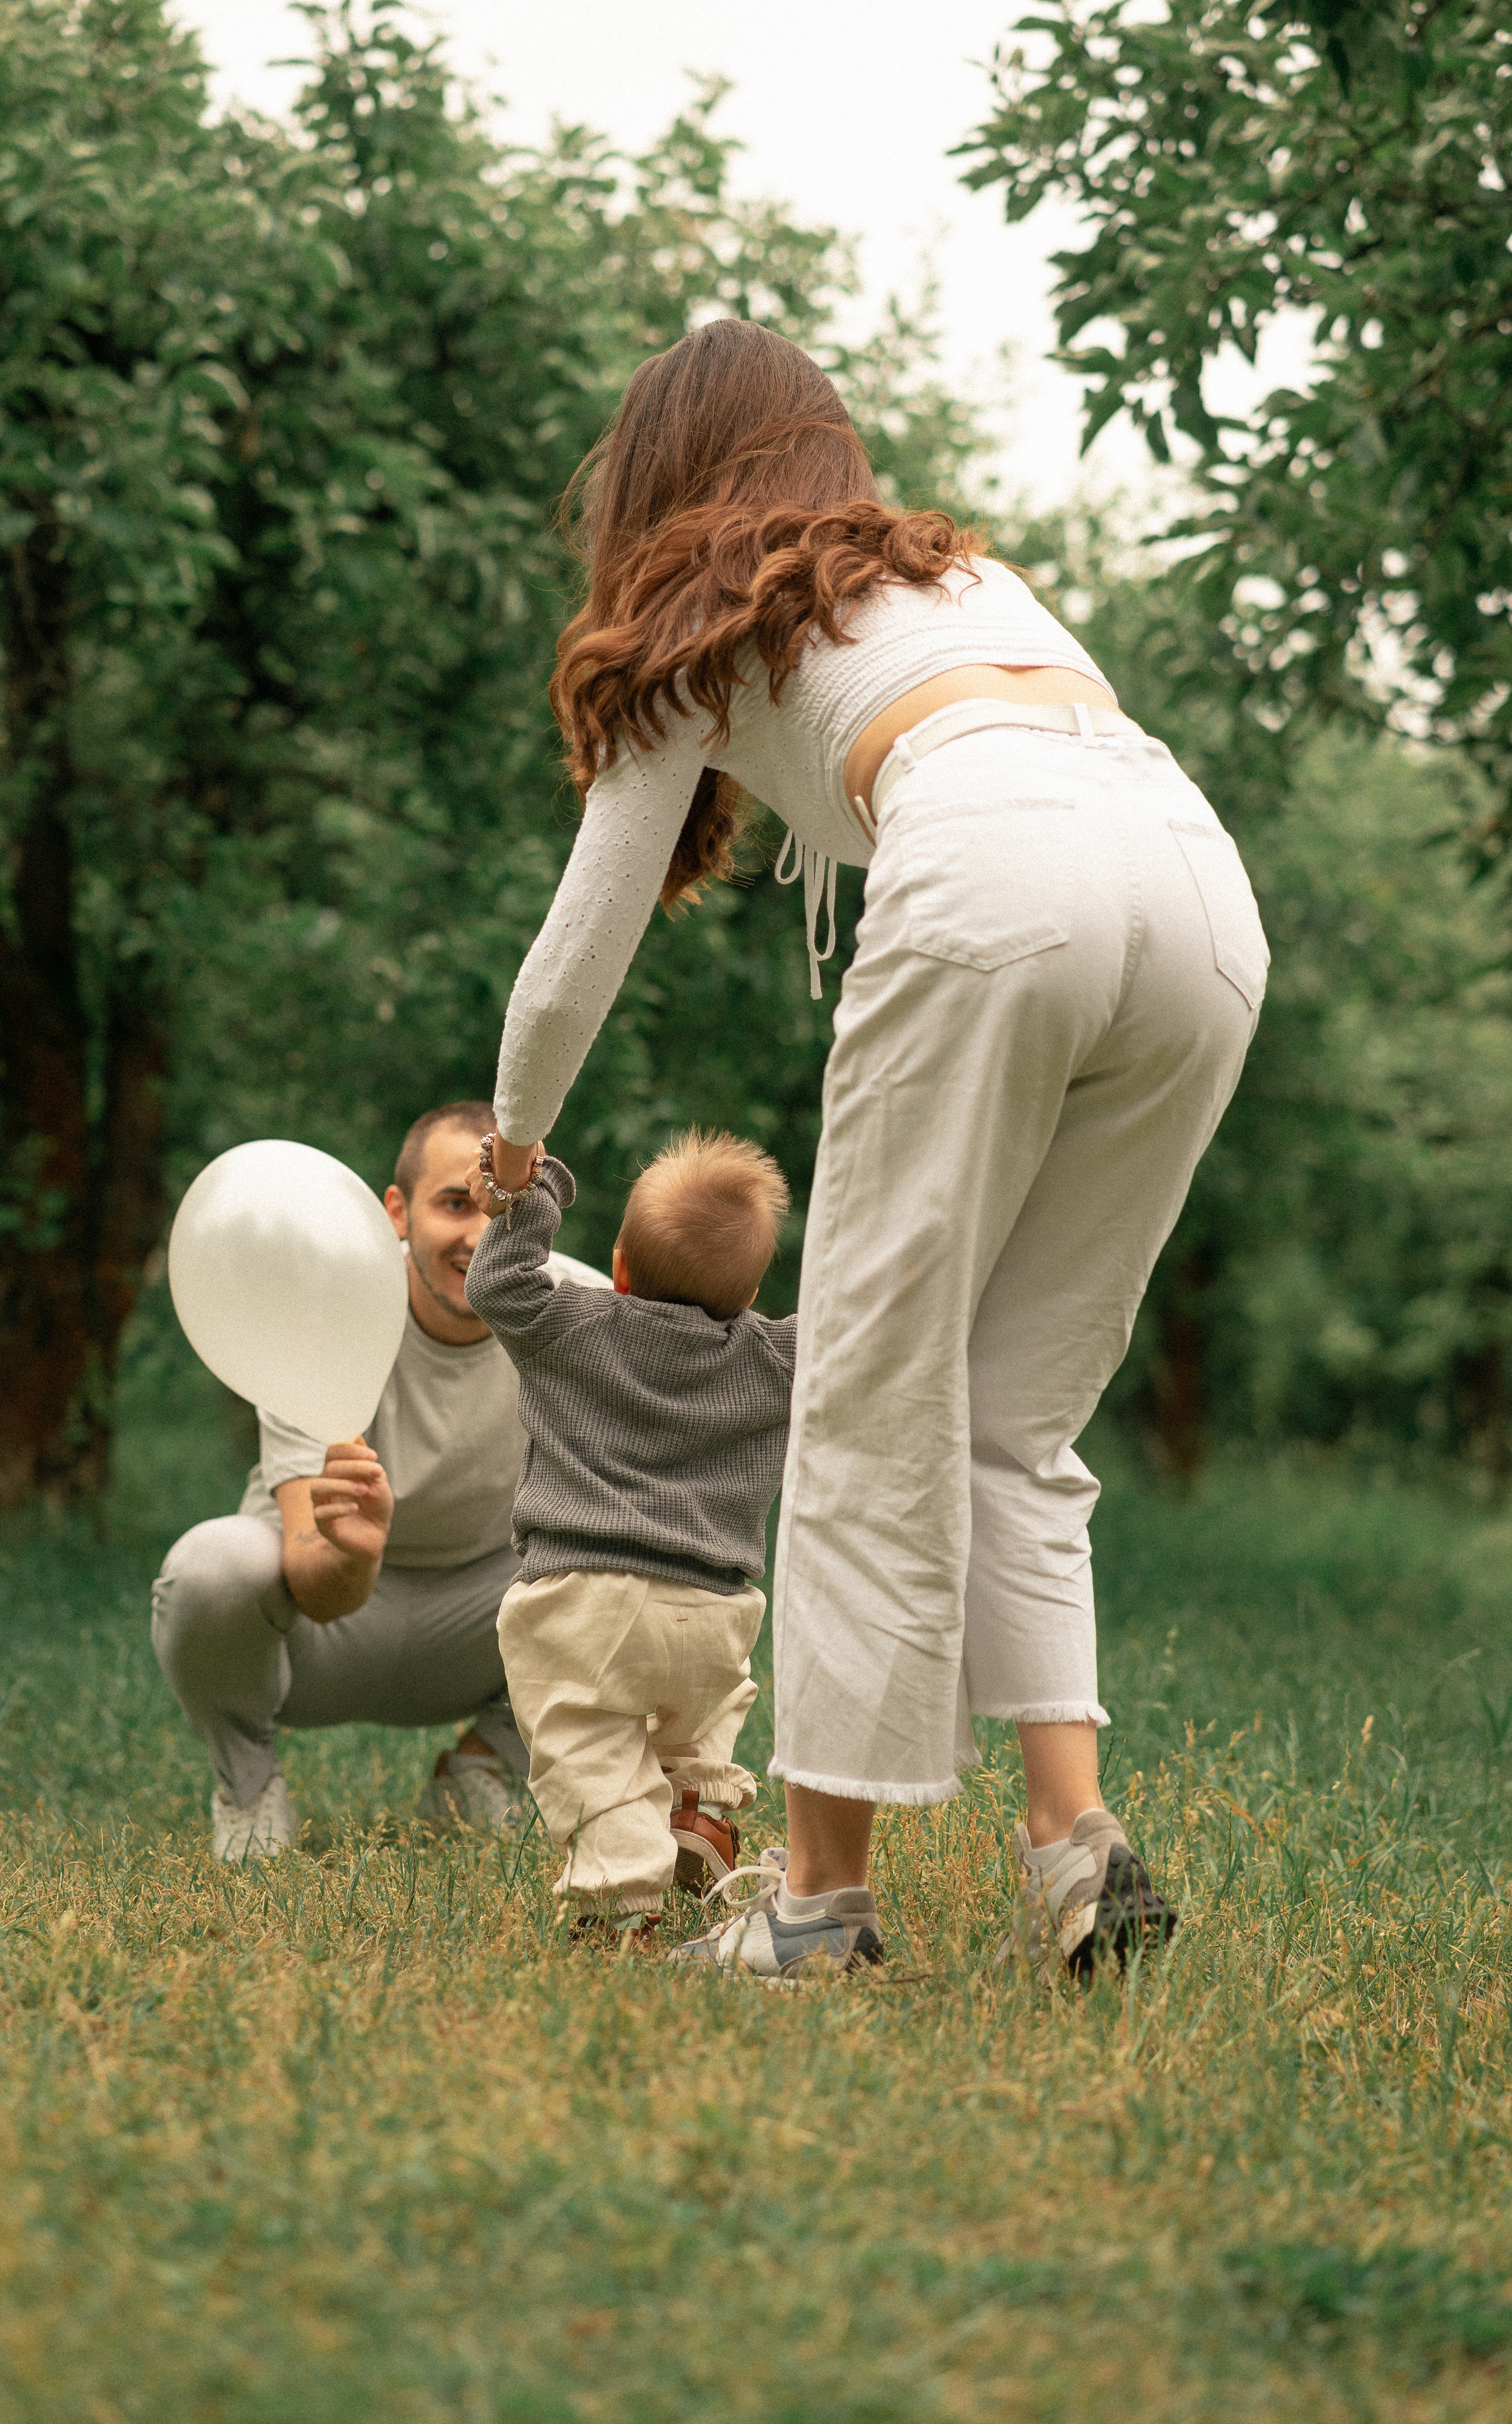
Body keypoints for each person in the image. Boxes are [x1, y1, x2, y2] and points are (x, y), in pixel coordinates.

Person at [482, 318, 1269, 1980]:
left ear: (657, 476)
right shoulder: (947, 571)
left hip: (993, 870)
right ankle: (1072, 1839)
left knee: (862, 1388)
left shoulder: (699, 613)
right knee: (1015, 1412)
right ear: (819, 442)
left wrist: (514, 1141)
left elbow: (574, 955)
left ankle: (817, 1906)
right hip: (1194, 889)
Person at [151, 1100, 608, 1861]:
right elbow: (317, 1583)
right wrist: (354, 1551)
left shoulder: (584, 1316)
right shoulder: (320, 1309)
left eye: (507, 1209)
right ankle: (248, 1785)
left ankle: (485, 1764)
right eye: (455, 1204)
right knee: (210, 1569)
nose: (481, 1236)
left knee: (642, 1559)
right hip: (325, 1633)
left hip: (488, 1623)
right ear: (396, 1211)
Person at [462, 1128, 796, 1944]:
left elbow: (497, 1280)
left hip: (587, 1599)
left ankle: (619, 1906)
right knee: (703, 1709)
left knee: (590, 1752)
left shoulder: (569, 1326)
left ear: (617, 1266)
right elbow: (863, 1337)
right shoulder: (781, 1359)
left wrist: (529, 1191)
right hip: (718, 1609)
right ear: (750, 1293)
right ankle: (701, 1809)